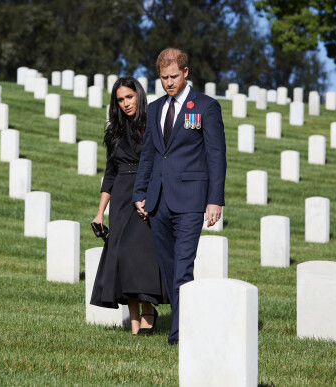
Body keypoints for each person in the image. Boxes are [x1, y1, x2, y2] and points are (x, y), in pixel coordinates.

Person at [132, 48, 226, 345]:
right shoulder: (157, 108)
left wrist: (215, 199)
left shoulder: (206, 107)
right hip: (158, 200)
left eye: (174, 76)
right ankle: (187, 322)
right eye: (163, 78)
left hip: (190, 201)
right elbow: (148, 154)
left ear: (186, 73)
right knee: (169, 268)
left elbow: (216, 155)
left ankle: (179, 335)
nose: (169, 83)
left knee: (183, 267)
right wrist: (140, 192)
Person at [90, 76, 167, 335]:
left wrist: (150, 194)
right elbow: (110, 173)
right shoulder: (114, 132)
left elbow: (160, 163)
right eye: (120, 99)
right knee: (122, 257)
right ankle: (135, 325)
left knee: (139, 255)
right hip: (121, 197)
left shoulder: (152, 125)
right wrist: (100, 212)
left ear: (139, 96)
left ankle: (148, 310)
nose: (125, 103)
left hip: (144, 192)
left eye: (129, 97)